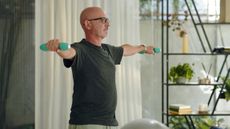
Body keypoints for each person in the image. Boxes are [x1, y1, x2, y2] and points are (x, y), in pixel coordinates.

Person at [46, 6, 154, 129]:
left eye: (107, 20)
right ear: (87, 24)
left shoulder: (107, 50)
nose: (108, 24)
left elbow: (125, 49)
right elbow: (69, 52)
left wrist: (143, 48)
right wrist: (58, 48)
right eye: (103, 20)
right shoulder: (81, 49)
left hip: (109, 122)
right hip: (88, 123)